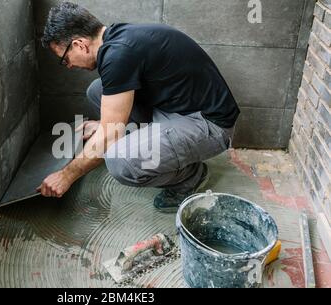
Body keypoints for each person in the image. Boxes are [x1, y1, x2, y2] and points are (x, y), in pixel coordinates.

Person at [37, 2, 240, 212]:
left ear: (80, 44)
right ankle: (149, 144)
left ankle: (190, 176)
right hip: (177, 109)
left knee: (118, 162)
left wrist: (66, 175)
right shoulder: (119, 38)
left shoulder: (118, 56)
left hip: (210, 125)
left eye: (65, 59)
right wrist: (104, 124)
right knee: (97, 90)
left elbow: (109, 136)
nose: (68, 66)